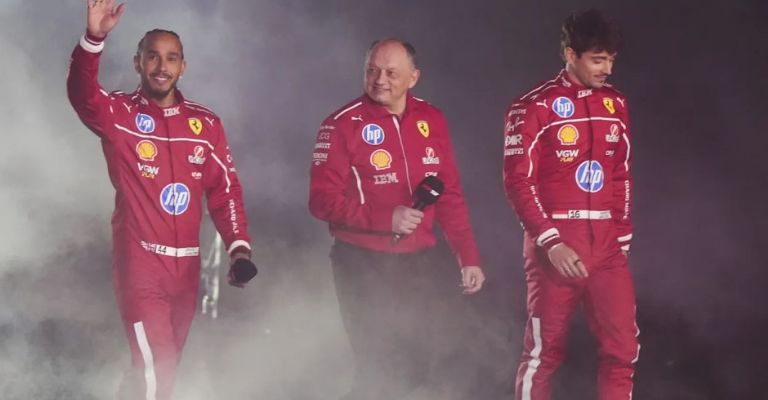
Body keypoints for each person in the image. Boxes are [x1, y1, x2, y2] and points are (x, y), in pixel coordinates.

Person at [66, 1, 257, 399]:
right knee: (159, 365)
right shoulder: (119, 113)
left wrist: (239, 248)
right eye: (152, 56)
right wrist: (94, 38)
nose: (161, 66)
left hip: (186, 269)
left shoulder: (205, 125)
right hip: (140, 264)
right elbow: (82, 95)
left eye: (171, 58)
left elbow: (225, 191)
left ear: (183, 67)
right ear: (137, 63)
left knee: (156, 367)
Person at [309, 39, 485, 399]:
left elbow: (449, 195)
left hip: (420, 263)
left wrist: (468, 257)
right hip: (362, 263)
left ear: (413, 78)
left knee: (423, 364)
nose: (380, 80)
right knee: (377, 366)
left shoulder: (432, 119)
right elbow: (321, 202)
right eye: (372, 71)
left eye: (391, 73)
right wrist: (384, 219)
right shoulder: (341, 124)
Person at [503, 9, 640, 400]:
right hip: (557, 242)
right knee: (543, 354)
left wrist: (621, 238)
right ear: (569, 54)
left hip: (607, 246)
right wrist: (551, 242)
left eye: (611, 59)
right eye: (598, 59)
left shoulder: (616, 103)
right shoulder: (534, 105)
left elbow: (620, 174)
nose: (607, 69)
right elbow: (517, 181)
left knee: (623, 350)